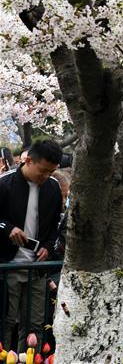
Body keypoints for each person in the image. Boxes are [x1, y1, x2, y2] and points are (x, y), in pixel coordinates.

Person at [0, 139, 63, 353]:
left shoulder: (53, 188)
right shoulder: (4, 183)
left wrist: (47, 246)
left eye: (51, 172)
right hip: (7, 264)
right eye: (43, 171)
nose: (45, 177)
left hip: (37, 266)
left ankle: (30, 359)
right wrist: (7, 228)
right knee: (6, 322)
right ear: (28, 161)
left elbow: (55, 224)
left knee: (35, 324)